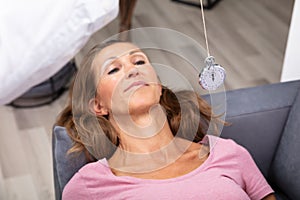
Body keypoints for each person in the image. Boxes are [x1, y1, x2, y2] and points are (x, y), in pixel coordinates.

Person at [57, 40, 276, 200]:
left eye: (140, 62)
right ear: (98, 105)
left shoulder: (226, 153)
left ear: (159, 87)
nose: (133, 71)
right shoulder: (87, 187)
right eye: (114, 69)